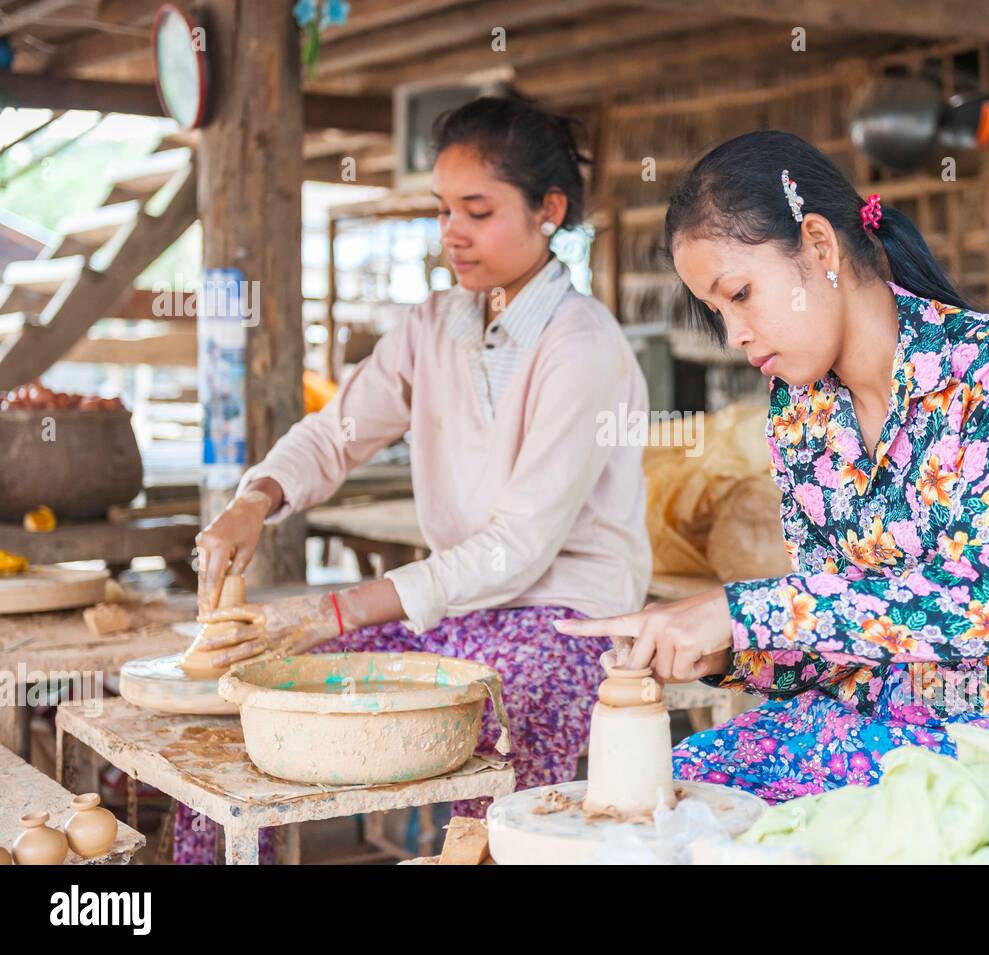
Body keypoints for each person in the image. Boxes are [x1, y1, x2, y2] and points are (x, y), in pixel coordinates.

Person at [557, 130, 989, 863]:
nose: (735, 333)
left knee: (878, 833)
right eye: (719, 312)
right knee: (662, 796)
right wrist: (721, 650)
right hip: (872, 723)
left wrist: (741, 611)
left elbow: (969, 608)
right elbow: (827, 632)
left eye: (740, 295)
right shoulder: (799, 410)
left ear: (821, 246)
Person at [175, 96, 651, 864]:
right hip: (457, 614)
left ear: (548, 211)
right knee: (262, 699)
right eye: (441, 211)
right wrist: (252, 500)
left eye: (478, 210)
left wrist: (342, 607)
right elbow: (336, 433)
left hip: (565, 617)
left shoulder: (582, 345)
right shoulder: (433, 324)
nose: (452, 233)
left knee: (495, 729)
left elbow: (520, 546)